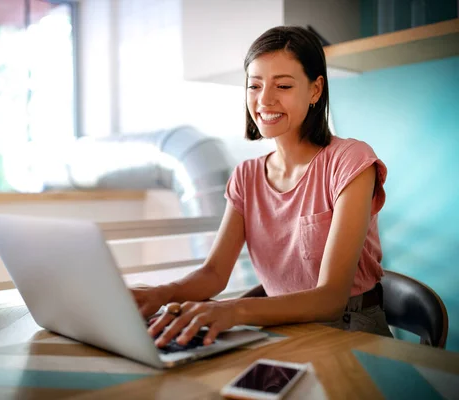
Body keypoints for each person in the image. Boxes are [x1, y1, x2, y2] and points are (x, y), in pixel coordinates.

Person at [132, 26, 393, 349]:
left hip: (352, 330)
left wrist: (233, 309)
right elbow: (214, 273)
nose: (265, 100)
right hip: (283, 329)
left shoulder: (350, 161)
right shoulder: (246, 176)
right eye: (254, 85)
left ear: (315, 90)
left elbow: (330, 298)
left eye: (283, 85)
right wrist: (159, 294)